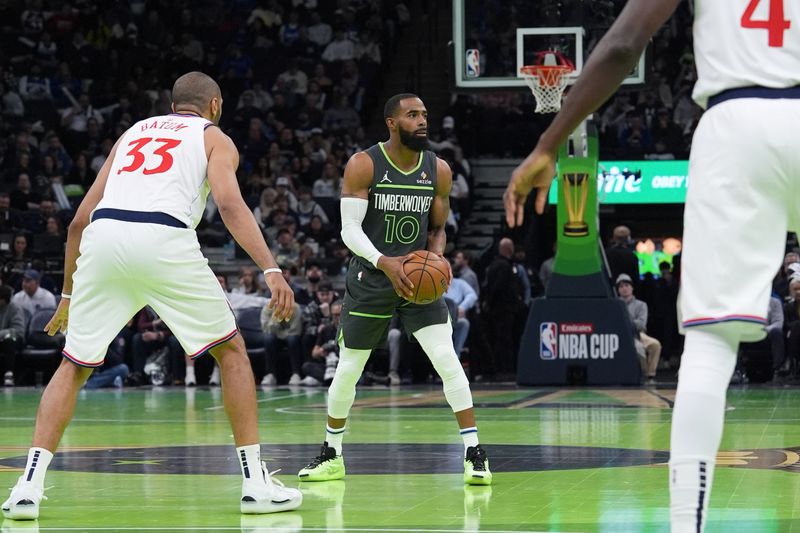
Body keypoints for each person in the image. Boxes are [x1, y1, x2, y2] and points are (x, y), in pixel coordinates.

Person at [503, 2, 800, 530]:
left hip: (738, 124)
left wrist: (549, 142)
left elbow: (622, 45)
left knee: (711, 345)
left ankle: (687, 524)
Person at [2, 72, 302, 521]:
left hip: (104, 237)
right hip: (162, 237)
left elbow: (77, 221)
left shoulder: (132, 132)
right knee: (232, 352)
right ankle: (256, 484)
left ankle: (27, 487)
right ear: (215, 105)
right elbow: (231, 204)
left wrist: (67, 293)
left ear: (171, 103)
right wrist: (272, 269)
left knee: (73, 366)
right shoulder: (214, 137)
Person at [297, 93, 491, 485]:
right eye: (412, 115)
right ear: (391, 122)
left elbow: (437, 229)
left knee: (447, 359)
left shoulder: (439, 171)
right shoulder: (364, 164)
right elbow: (349, 230)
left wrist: (435, 259)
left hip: (417, 281)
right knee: (349, 369)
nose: (422, 121)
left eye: (424, 114)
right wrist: (385, 262)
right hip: (373, 277)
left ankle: (473, 451)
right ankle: (332, 452)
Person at [616, 273, 662, 385]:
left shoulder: (641, 305)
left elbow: (641, 324)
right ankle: (644, 373)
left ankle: (650, 374)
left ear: (632, 287)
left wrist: (626, 323)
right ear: (618, 290)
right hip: (620, 335)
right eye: (621, 286)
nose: (624, 289)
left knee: (655, 345)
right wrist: (629, 323)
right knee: (639, 349)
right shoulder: (615, 305)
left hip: (638, 333)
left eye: (627, 285)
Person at [0, 286, 26, 387]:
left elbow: (18, 330)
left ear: (4, 300)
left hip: (15, 339)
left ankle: (9, 375)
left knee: (9, 341)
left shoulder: (15, 308)